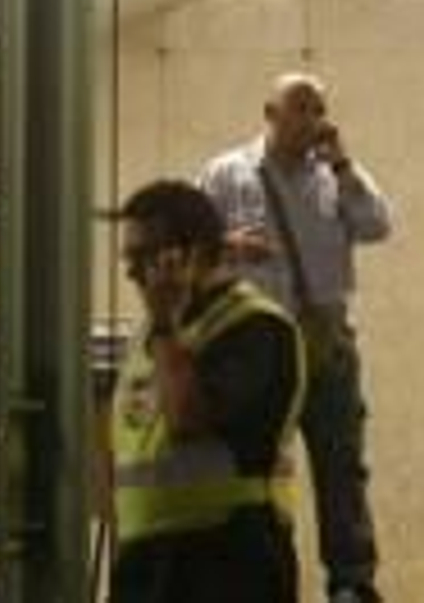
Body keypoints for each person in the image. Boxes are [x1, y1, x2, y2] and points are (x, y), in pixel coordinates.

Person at [198, 72, 393, 603]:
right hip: (256, 341)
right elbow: (192, 248)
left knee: (341, 463)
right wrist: (229, 244)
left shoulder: (335, 177)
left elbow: (378, 225)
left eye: (319, 109)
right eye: (300, 107)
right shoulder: (225, 173)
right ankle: (258, 575)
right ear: (270, 111)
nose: (312, 119)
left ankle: (351, 582)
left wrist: (345, 164)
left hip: (326, 337)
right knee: (255, 466)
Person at [110, 179, 305, 603]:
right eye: (129, 257)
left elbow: (187, 417)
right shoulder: (155, 333)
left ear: (193, 255)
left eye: (143, 256)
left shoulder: (254, 328)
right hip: (148, 562)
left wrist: (164, 324)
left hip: (225, 558)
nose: (131, 271)